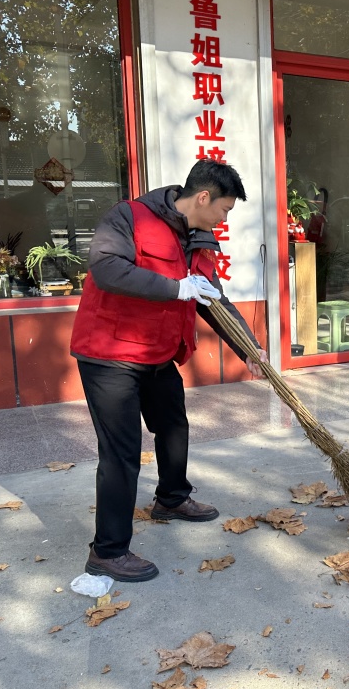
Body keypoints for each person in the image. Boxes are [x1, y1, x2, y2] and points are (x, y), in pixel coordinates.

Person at [70, 159, 267, 582]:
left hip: (158, 354)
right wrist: (175, 288)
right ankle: (107, 551)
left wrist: (249, 349)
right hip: (111, 354)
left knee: (174, 426)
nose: (224, 219)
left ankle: (172, 499)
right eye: (224, 210)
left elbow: (214, 301)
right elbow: (106, 268)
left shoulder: (200, 240)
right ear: (203, 197)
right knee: (122, 453)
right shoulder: (129, 217)